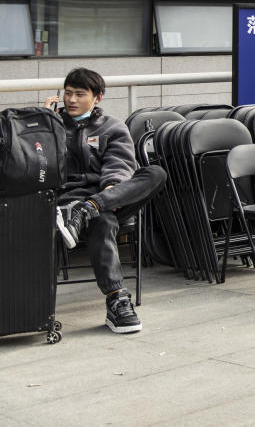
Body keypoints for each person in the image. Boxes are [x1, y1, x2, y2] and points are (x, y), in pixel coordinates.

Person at [45, 68, 167, 333]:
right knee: (103, 220)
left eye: (79, 94)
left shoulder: (112, 127)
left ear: (97, 97)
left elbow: (119, 167)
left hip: (106, 196)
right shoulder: (52, 125)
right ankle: (117, 300)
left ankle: (88, 209)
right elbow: (35, 165)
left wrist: (107, 194)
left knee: (155, 173)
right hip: (64, 204)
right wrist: (43, 119)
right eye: (67, 93)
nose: (71, 100)